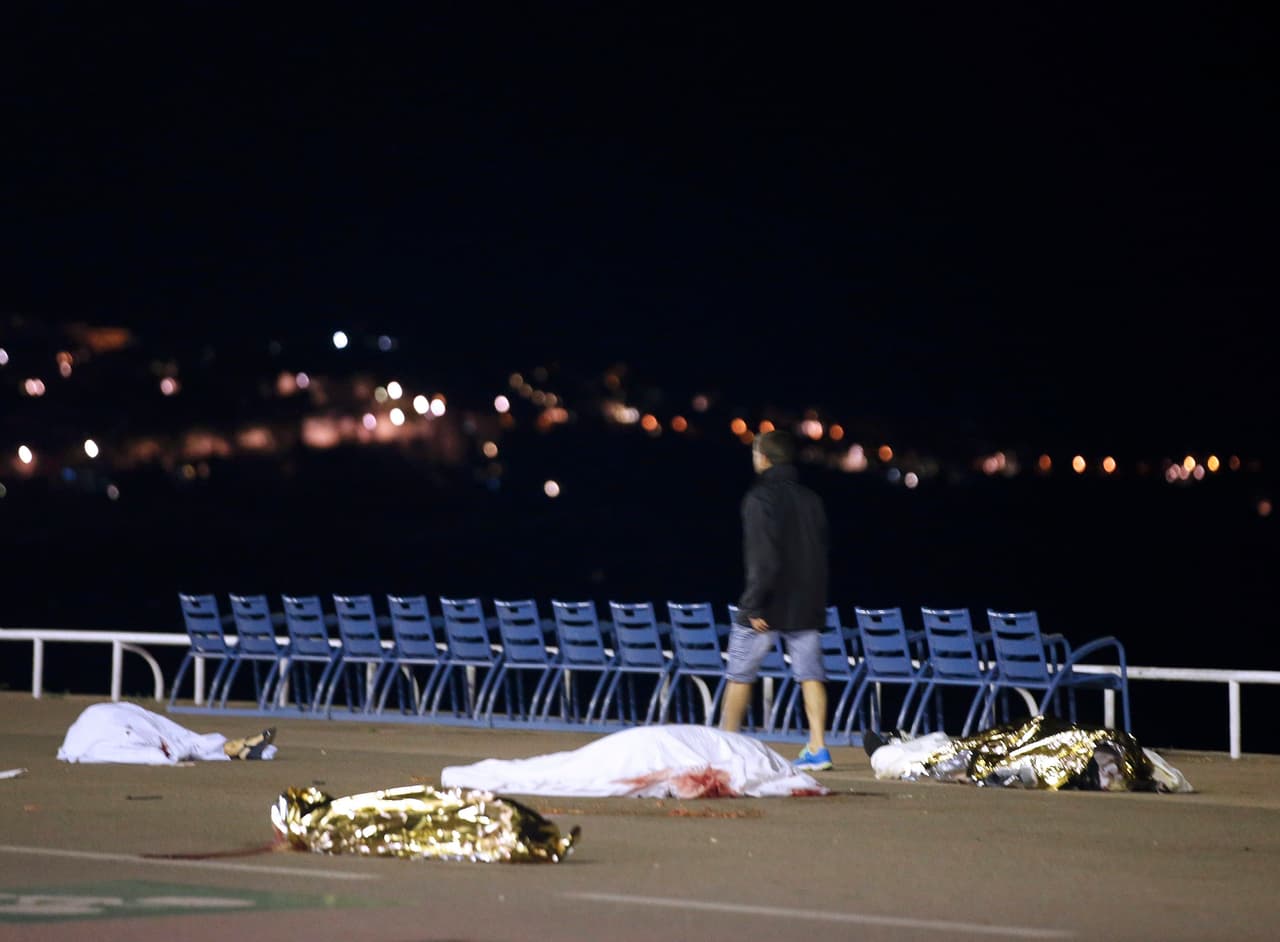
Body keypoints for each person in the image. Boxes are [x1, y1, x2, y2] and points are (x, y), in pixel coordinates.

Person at [720, 429, 833, 771]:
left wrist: (753, 604)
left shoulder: (758, 499)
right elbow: (822, 552)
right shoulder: (812, 499)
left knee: (740, 672)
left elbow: (762, 558)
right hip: (807, 602)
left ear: (764, 458)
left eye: (755, 452)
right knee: (810, 673)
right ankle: (818, 746)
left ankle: (727, 743)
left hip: (767, 604)